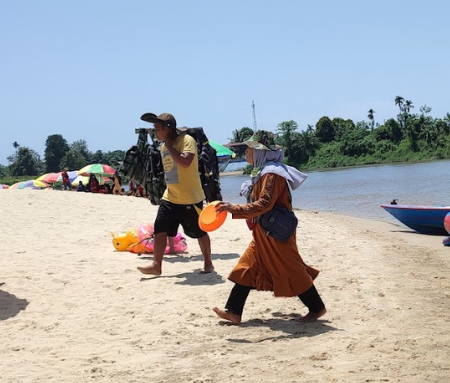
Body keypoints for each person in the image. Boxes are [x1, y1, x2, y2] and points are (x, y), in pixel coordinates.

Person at [212, 131, 326, 325]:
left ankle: (317, 308)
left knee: (292, 268)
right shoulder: (263, 171)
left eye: (250, 149)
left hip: (276, 233)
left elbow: (265, 203)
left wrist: (235, 208)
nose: (247, 152)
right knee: (246, 267)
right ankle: (233, 311)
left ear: (260, 152)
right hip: (263, 231)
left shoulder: (273, 173)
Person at [136, 112, 214, 275]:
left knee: (199, 231)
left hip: (190, 198)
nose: (155, 132)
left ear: (168, 129)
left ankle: (208, 263)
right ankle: (156, 265)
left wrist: (170, 145)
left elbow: (185, 162)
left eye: (157, 128)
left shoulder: (186, 141)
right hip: (170, 196)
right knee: (160, 228)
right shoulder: (164, 146)